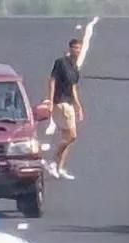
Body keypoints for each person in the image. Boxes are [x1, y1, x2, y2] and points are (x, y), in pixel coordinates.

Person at [45, 37, 84, 180]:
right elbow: (52, 80)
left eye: (79, 48)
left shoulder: (75, 68)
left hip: (69, 103)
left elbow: (73, 88)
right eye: (75, 48)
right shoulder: (61, 63)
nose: (77, 51)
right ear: (70, 48)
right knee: (72, 136)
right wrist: (50, 99)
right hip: (61, 103)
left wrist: (78, 106)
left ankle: (60, 167)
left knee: (66, 137)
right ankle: (52, 161)